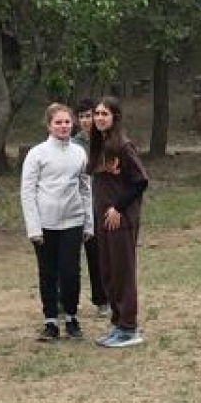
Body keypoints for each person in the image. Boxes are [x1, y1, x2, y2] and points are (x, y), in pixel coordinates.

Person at [21, 103, 92, 342]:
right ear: (49, 125)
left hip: (73, 221)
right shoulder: (37, 153)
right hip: (45, 225)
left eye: (67, 122)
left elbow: (86, 189)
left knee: (71, 272)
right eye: (58, 122)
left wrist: (88, 224)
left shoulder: (80, 153)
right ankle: (50, 321)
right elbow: (28, 192)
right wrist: (34, 227)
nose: (63, 126)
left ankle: (71, 317)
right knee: (47, 273)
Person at [88, 96, 149, 348]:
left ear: (115, 117)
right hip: (103, 220)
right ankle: (117, 323)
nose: (100, 118)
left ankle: (129, 327)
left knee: (123, 272)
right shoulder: (100, 145)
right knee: (108, 272)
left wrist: (118, 207)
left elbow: (140, 181)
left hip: (120, 220)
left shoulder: (124, 146)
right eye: (97, 114)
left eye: (105, 114)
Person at [71, 99, 108, 317]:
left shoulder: (105, 142)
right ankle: (68, 301)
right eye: (82, 116)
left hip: (100, 205)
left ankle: (102, 299)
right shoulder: (72, 144)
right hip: (76, 205)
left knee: (98, 255)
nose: (86, 121)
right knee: (71, 257)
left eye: (89, 116)